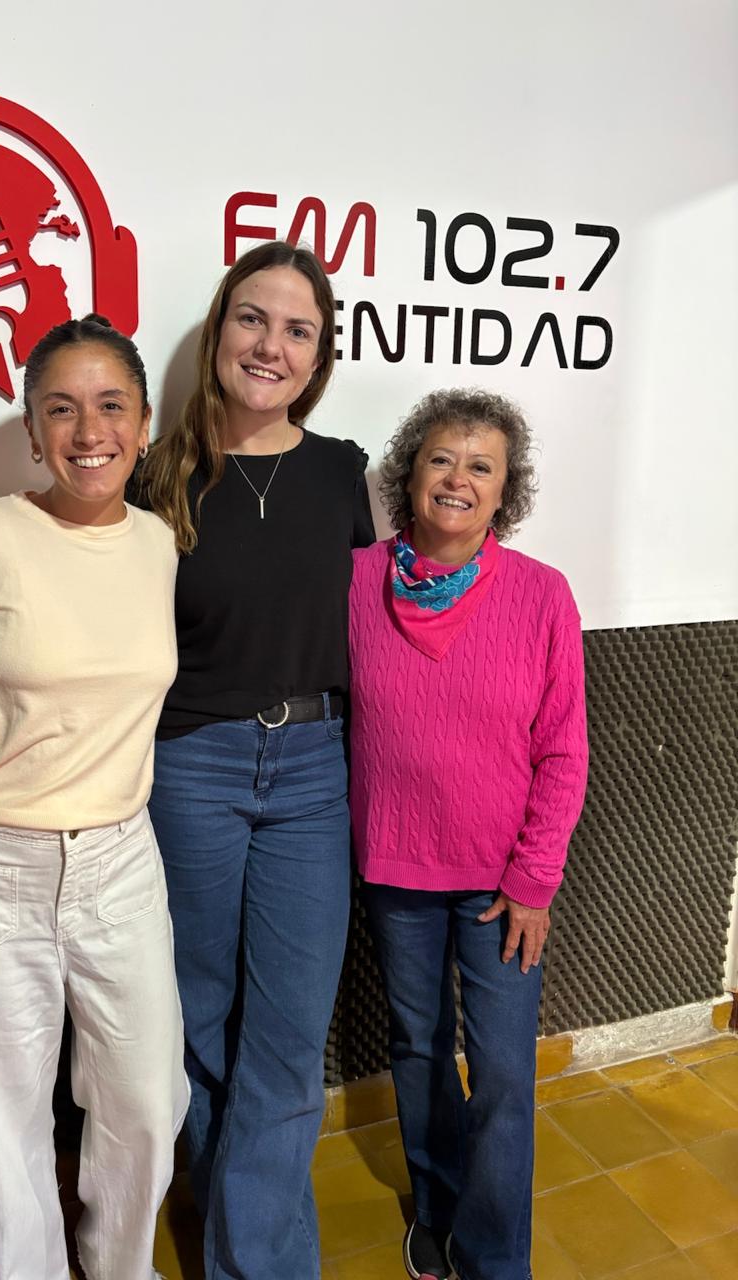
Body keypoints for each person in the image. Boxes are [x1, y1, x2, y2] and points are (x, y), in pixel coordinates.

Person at [0, 242, 375, 1280]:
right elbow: (70, 601)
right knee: (193, 1024)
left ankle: (256, 1260)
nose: (270, 345)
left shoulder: (343, 472)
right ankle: (220, 1216)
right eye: (252, 318)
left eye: (298, 329)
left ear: (320, 355)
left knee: (287, 1035)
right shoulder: (153, 468)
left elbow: (373, 631)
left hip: (314, 769)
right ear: (219, 330)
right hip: (187, 768)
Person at [0, 315, 188, 1280]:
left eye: (111, 406)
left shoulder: (157, 543)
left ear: (144, 425)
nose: (88, 431)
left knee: (148, 1106)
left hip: (121, 861)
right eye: (61, 408)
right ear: (30, 428)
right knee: (1, 1131)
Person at [347, 389, 588, 1280]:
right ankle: (436, 1205)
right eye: (441, 459)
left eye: (481, 466)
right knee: (417, 1048)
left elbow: (564, 749)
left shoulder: (542, 595)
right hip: (396, 868)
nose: (458, 479)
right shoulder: (355, 581)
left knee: (504, 1075)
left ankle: (492, 1258)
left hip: (502, 885)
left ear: (503, 490)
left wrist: (534, 881)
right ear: (410, 475)